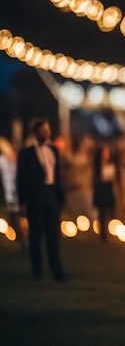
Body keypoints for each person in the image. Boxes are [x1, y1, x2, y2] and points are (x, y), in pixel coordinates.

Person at [16, 119, 67, 281]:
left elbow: (58, 175)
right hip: (35, 196)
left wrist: (59, 197)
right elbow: (21, 179)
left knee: (53, 234)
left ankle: (56, 270)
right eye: (44, 130)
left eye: (48, 130)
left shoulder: (54, 151)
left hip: (51, 194)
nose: (47, 133)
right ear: (36, 133)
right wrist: (22, 202)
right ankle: (36, 270)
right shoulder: (26, 154)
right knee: (36, 235)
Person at [0, 137, 27, 251]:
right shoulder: (3, 161)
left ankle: (26, 241)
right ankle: (22, 241)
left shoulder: (20, 163)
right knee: (14, 221)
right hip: (10, 197)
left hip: (21, 197)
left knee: (23, 219)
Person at [92, 142, 116, 241]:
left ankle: (109, 229)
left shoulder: (111, 164)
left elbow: (113, 177)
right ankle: (102, 232)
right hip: (100, 188)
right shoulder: (97, 165)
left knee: (109, 210)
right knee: (101, 211)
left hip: (108, 188)